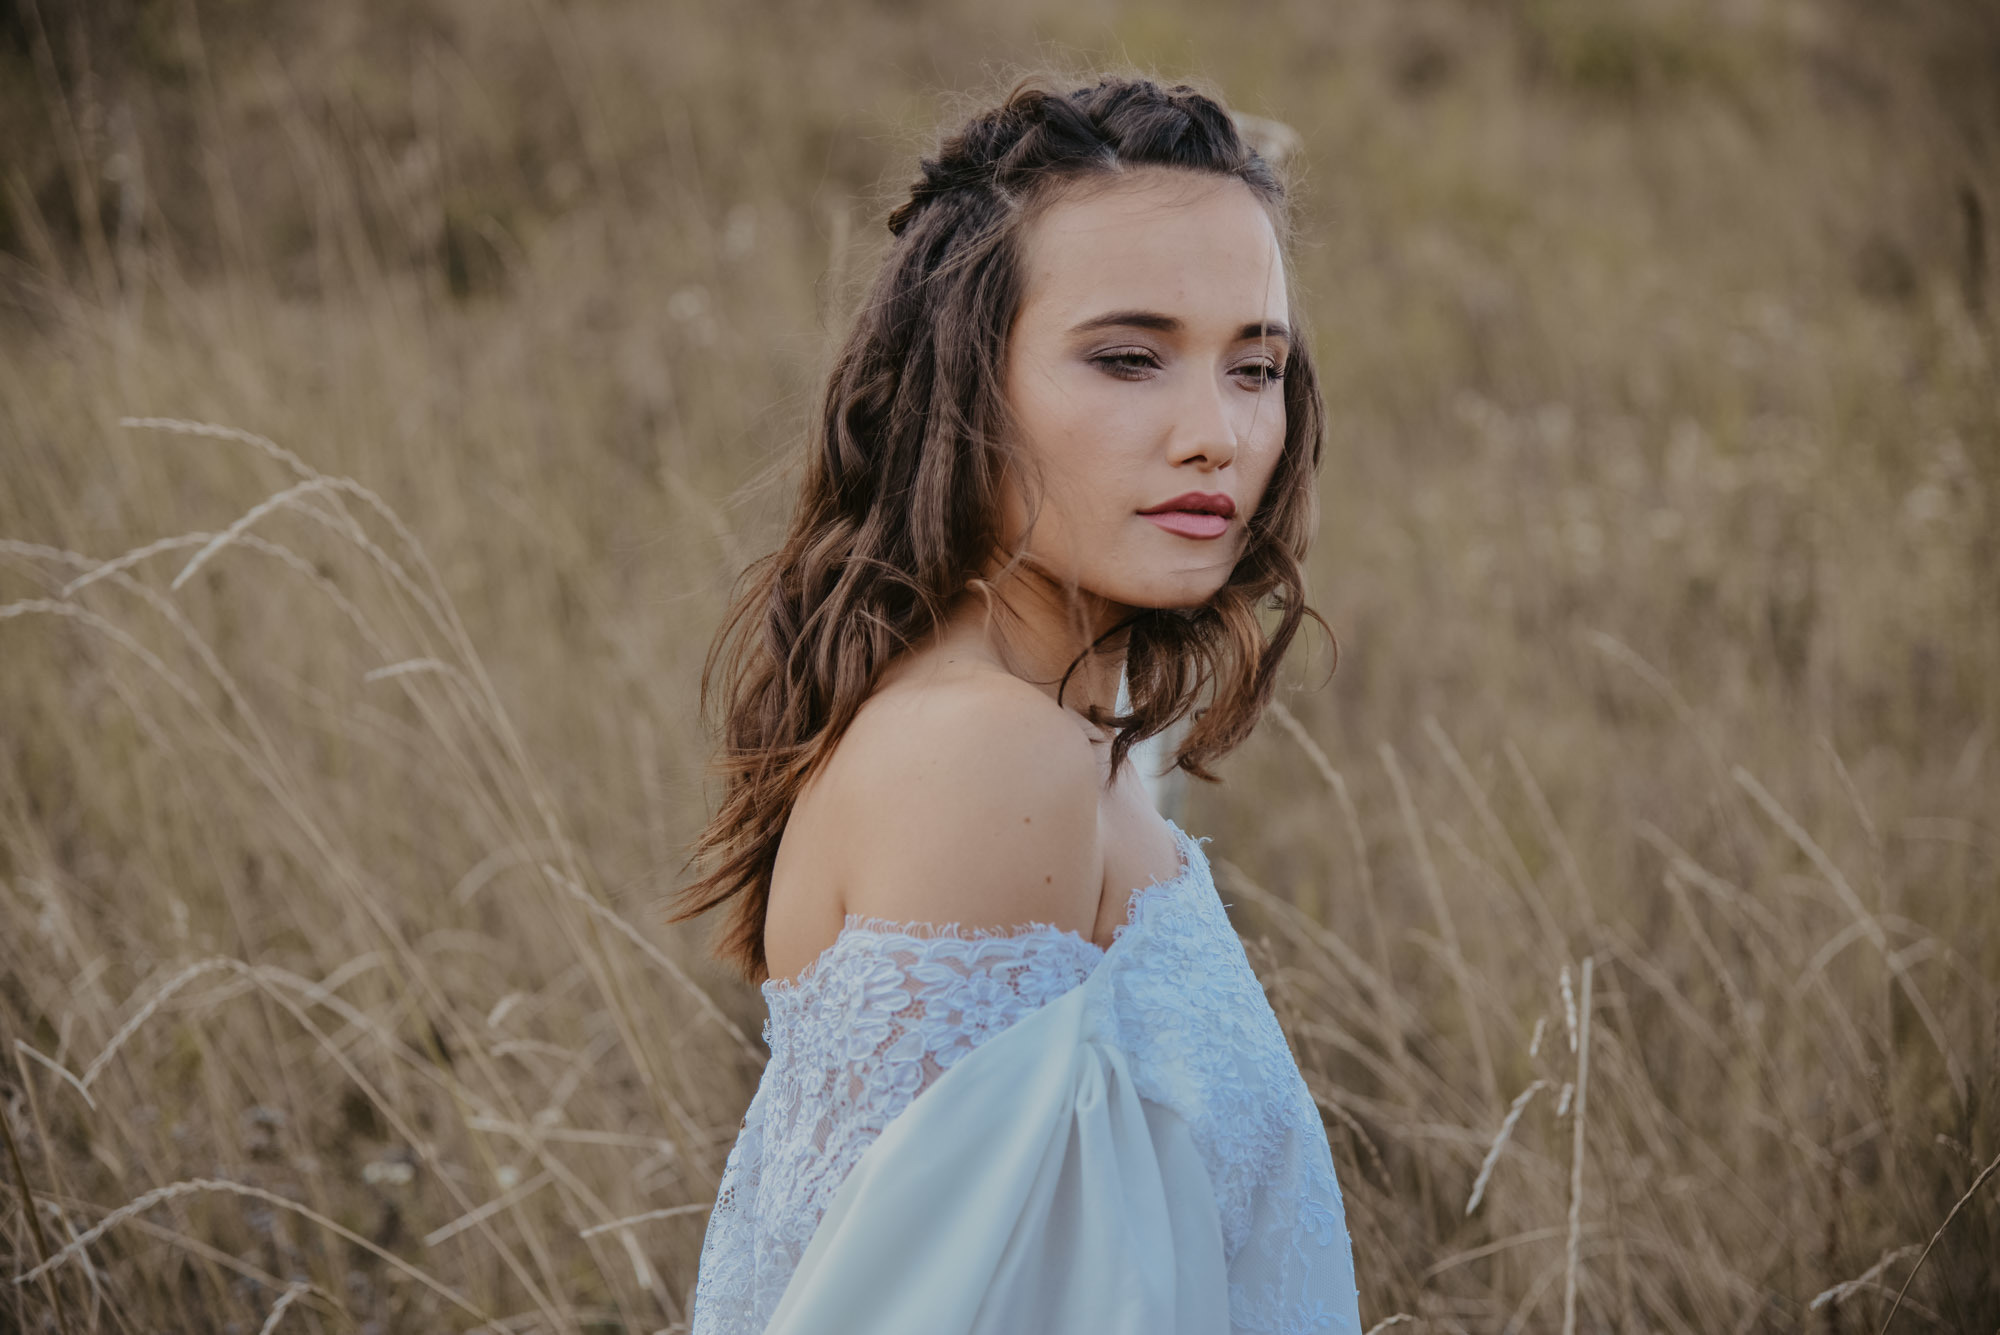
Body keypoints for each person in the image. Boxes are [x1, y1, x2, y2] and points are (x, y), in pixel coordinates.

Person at [674, 71, 1362, 1335]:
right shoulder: (988, 756)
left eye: (1253, 368)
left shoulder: (1067, 732)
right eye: (1126, 358)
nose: (1216, 434)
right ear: (961, 382)